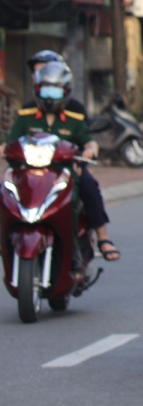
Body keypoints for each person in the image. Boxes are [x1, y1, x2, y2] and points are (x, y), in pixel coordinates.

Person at [9, 60, 120, 261]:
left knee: (87, 188)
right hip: (30, 171)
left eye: (55, 92)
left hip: (65, 172)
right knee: (6, 192)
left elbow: (89, 142)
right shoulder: (26, 116)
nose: (50, 97)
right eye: (46, 90)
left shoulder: (74, 118)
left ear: (65, 91)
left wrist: (90, 150)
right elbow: (10, 143)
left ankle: (93, 241)